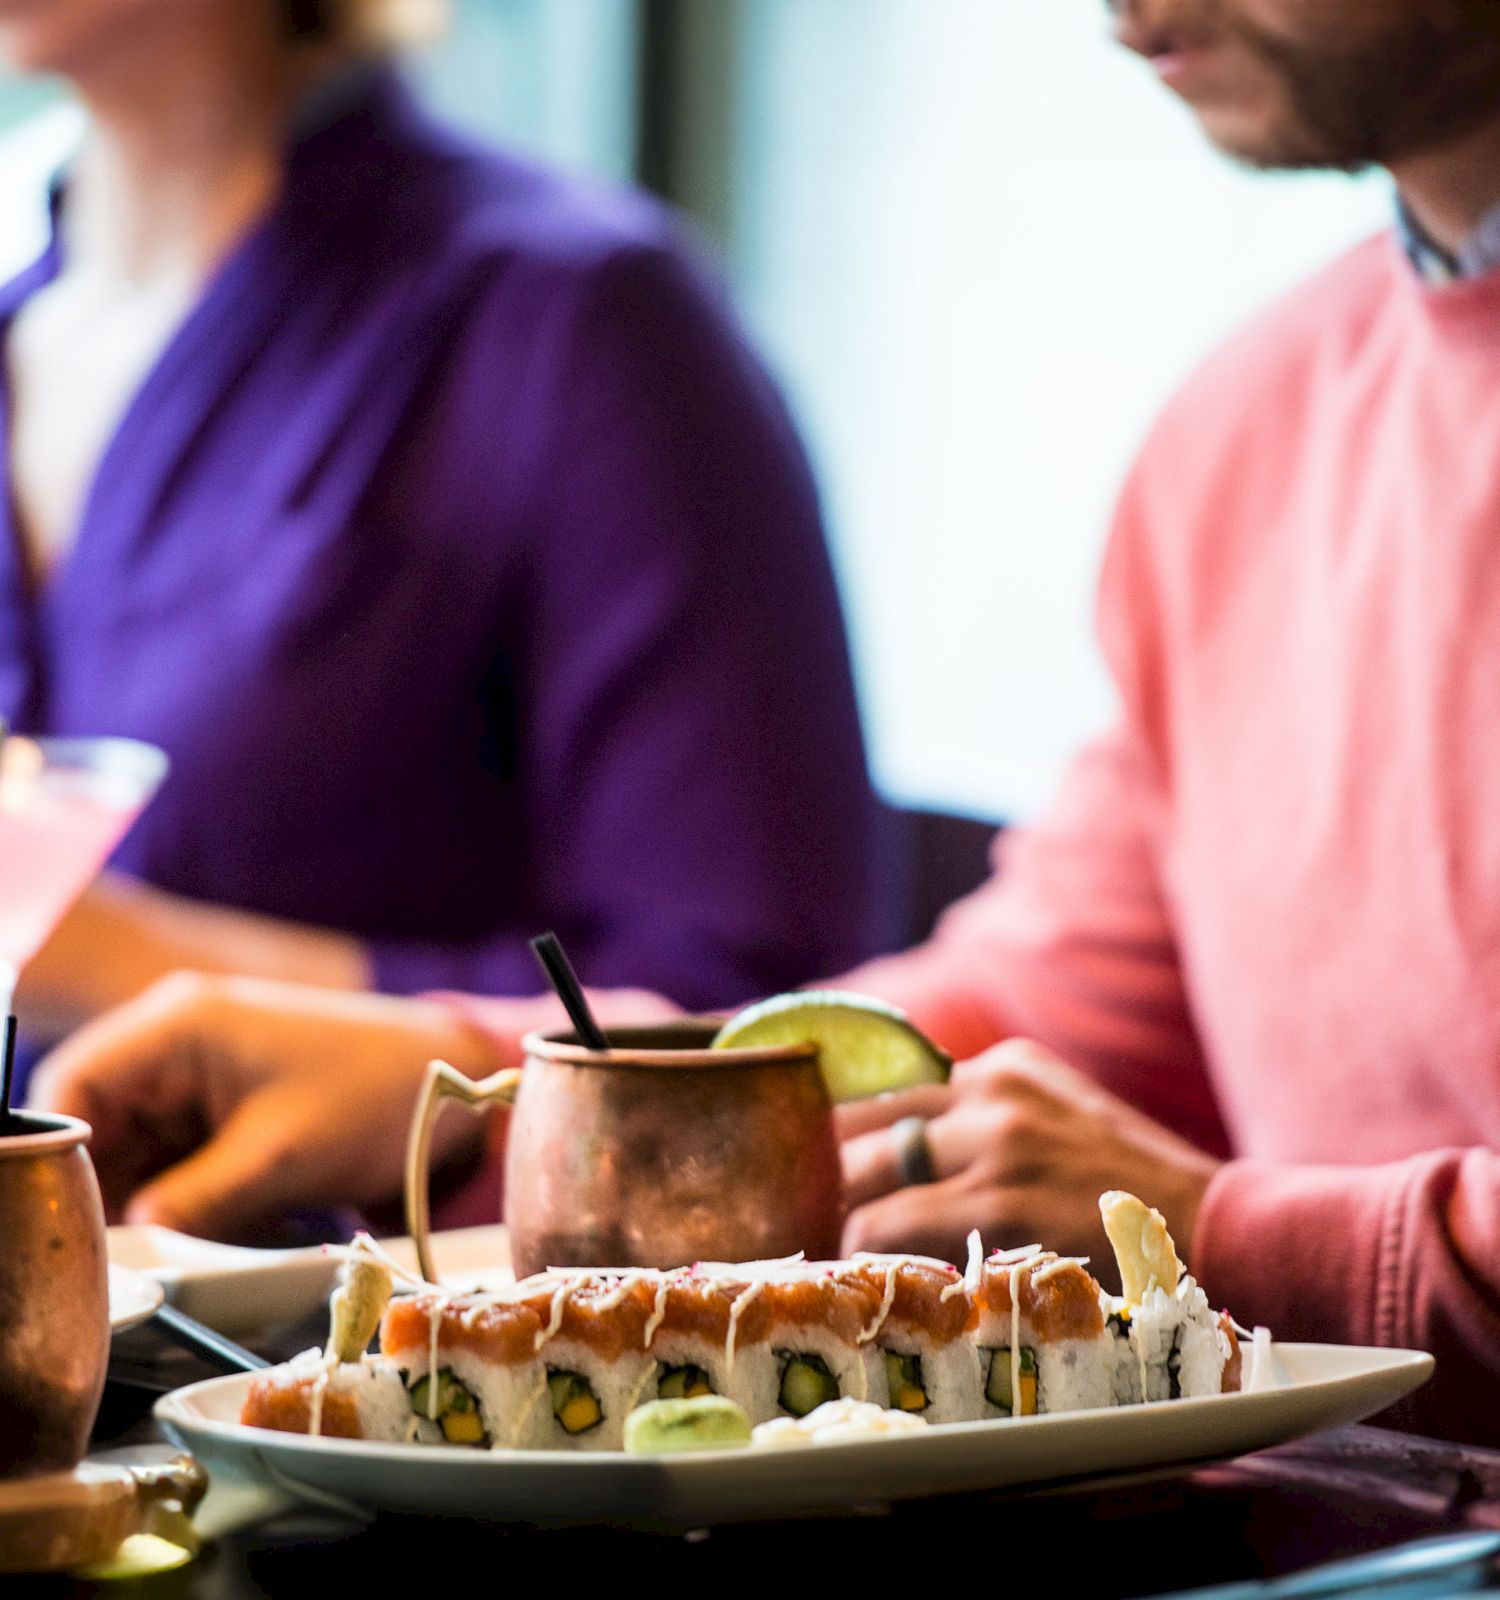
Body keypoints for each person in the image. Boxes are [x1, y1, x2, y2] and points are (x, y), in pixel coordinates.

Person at [34, 0, 1500, 1442]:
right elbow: (1011, 1032)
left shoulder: (564, 309)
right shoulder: (1241, 433)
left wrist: (1231, 1239)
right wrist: (486, 1090)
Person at [0, 0, 877, 1050]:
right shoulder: (27, 318)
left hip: (389, 1215)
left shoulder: (579, 322)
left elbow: (759, 1018)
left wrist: (104, 959)